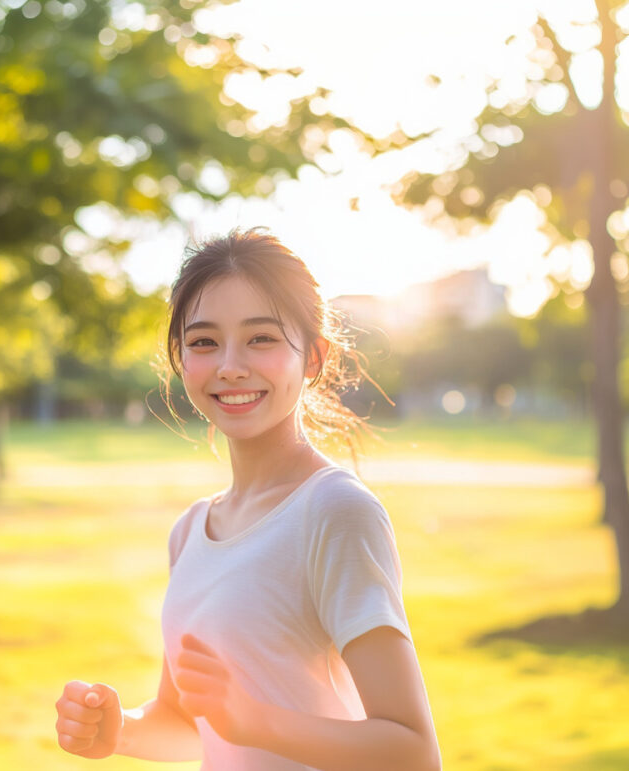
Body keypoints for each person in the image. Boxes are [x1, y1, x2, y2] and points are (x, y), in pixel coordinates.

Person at [55, 228, 442, 770]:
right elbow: (193, 728)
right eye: (204, 342)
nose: (230, 366)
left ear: (313, 357)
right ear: (180, 359)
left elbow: (414, 753)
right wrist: (116, 730)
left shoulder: (334, 512)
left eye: (260, 338)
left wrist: (257, 720)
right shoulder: (191, 531)